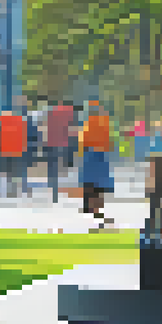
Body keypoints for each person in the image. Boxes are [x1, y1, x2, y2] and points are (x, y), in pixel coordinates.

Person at [78, 100, 115, 229]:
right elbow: (109, 140)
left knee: (90, 182)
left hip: (91, 154)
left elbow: (83, 139)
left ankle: (90, 207)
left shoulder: (88, 122)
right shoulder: (104, 122)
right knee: (99, 183)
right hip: (101, 153)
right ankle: (97, 207)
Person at [44, 98, 74, 203]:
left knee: (53, 166)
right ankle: (61, 183)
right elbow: (73, 128)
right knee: (65, 164)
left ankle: (53, 186)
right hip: (65, 142)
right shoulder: (70, 111)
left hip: (52, 142)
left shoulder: (49, 112)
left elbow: (44, 127)